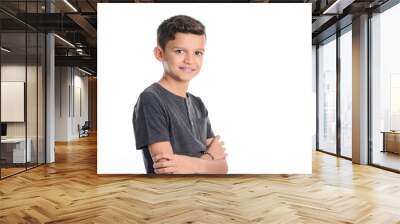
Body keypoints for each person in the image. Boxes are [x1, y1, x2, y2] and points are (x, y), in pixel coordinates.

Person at [132, 15, 228, 174]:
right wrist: (209, 158)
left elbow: (223, 168)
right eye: (179, 51)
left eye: (198, 53)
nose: (190, 60)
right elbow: (167, 169)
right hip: (171, 195)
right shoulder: (151, 99)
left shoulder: (198, 104)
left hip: (204, 194)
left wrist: (189, 164)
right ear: (160, 53)